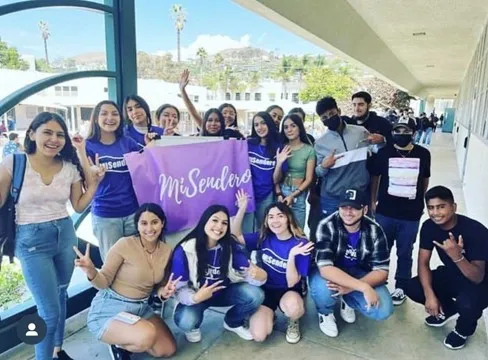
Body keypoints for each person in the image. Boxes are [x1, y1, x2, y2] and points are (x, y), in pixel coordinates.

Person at [0, 112, 104, 360]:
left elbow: (78, 206)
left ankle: (57, 348)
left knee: (60, 293)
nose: (54, 139)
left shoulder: (68, 168)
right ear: (32, 134)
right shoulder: (13, 163)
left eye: (59, 134)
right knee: (48, 311)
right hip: (30, 241)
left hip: (66, 236)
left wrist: (96, 185)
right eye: (47, 132)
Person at [77, 204, 178, 360]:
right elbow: (103, 282)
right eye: (144, 223)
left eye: (154, 222)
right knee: (147, 335)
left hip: (141, 308)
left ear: (162, 223)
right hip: (112, 307)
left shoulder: (166, 250)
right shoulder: (124, 244)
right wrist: (91, 270)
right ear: (137, 225)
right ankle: (117, 344)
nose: (149, 228)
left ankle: (131, 334)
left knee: (167, 349)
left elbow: (159, 287)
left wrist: (163, 293)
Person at [406, 186, 488, 350]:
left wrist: (457, 256)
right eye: (431, 208)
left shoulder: (476, 231)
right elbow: (423, 262)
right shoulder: (429, 226)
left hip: (482, 282)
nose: (435, 213)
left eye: (441, 206)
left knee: (467, 304)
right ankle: (448, 309)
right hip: (453, 275)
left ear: (454, 207)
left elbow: (477, 277)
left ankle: (462, 330)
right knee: (413, 287)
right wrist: (430, 296)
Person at [171, 201, 266, 343]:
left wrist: (261, 277)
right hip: (197, 296)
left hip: (224, 293)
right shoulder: (185, 250)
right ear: (204, 222)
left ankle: (232, 322)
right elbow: (178, 289)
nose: (219, 227)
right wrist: (195, 298)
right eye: (214, 220)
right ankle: (193, 327)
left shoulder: (229, 246)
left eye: (224, 223)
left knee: (256, 294)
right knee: (186, 321)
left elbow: (249, 274)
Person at [309, 188, 393, 338]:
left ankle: (348, 300)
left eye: (355, 207)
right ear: (339, 208)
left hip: (358, 271)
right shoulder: (326, 225)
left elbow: (381, 270)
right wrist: (363, 287)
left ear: (365, 209)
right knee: (323, 289)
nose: (348, 212)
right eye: (344, 207)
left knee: (383, 310)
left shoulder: (375, 230)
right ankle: (325, 313)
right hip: (332, 271)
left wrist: (350, 287)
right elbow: (325, 268)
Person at [232, 194, 313, 344]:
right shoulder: (264, 237)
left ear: (288, 218)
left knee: (294, 308)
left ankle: (293, 321)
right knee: (258, 335)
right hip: (266, 290)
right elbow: (235, 236)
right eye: (270, 217)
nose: (275, 220)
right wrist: (242, 208)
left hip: (289, 291)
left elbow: (291, 282)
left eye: (280, 216)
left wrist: (291, 256)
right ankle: (270, 316)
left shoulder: (301, 245)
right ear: (266, 221)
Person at [370, 123, 431, 305]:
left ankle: (401, 287)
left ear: (413, 133)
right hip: (386, 212)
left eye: (406, 131)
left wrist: (421, 200)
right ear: (392, 133)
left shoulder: (423, 153)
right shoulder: (384, 153)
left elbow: (425, 179)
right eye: (398, 131)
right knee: (382, 250)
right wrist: (373, 200)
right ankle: (379, 281)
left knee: (405, 251)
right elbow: (375, 178)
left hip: (410, 214)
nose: (402, 134)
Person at [85, 100, 144, 260]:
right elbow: (82, 180)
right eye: (104, 113)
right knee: (112, 265)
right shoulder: (88, 146)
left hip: (132, 212)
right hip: (106, 216)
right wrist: (93, 175)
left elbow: (147, 162)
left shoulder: (127, 142)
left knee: (135, 262)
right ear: (96, 118)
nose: (110, 118)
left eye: (115, 114)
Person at [314, 96, 370, 217]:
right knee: (332, 234)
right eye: (324, 117)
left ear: (339, 111)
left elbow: (377, 150)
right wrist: (324, 166)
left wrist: (382, 141)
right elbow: (318, 172)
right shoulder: (319, 143)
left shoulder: (361, 132)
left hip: (358, 194)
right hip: (332, 198)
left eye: (332, 113)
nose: (329, 118)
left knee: (358, 234)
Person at [243, 111, 286, 232]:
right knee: (246, 232)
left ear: (269, 124)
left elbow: (276, 180)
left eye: (263, 123)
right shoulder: (248, 143)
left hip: (266, 196)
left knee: (265, 230)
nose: (259, 127)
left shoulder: (279, 147)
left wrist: (279, 163)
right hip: (247, 195)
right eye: (256, 125)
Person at [275, 114, 315, 230]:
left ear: (300, 127)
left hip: (298, 194)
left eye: (293, 126)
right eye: (286, 127)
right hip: (281, 193)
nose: (289, 130)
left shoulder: (309, 150)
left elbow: (309, 179)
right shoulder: (281, 148)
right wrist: (279, 193)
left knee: (298, 231)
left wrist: (293, 195)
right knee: (279, 230)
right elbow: (275, 177)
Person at [180, 69, 244, 138]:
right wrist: (182, 90)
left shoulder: (235, 134)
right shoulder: (206, 128)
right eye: (224, 113)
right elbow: (193, 113)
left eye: (231, 113)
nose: (228, 115)